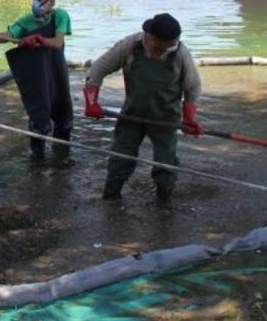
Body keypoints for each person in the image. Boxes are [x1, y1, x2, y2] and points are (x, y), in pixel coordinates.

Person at [82, 13, 203, 204]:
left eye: (173, 42)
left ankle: (164, 201)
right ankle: (111, 196)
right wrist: (91, 103)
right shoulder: (130, 45)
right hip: (132, 114)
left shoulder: (180, 52)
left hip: (166, 118)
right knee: (121, 156)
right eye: (166, 44)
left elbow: (193, 87)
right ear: (152, 38)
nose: (171, 47)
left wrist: (189, 119)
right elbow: (98, 69)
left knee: (165, 162)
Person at [0, 0, 74, 158]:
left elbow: (57, 43)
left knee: (63, 118)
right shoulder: (27, 20)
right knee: (39, 119)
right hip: (38, 76)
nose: (35, 2)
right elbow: (9, 35)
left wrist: (39, 39)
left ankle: (62, 159)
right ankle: (37, 161)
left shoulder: (60, 16)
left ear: (51, 2)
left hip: (57, 74)